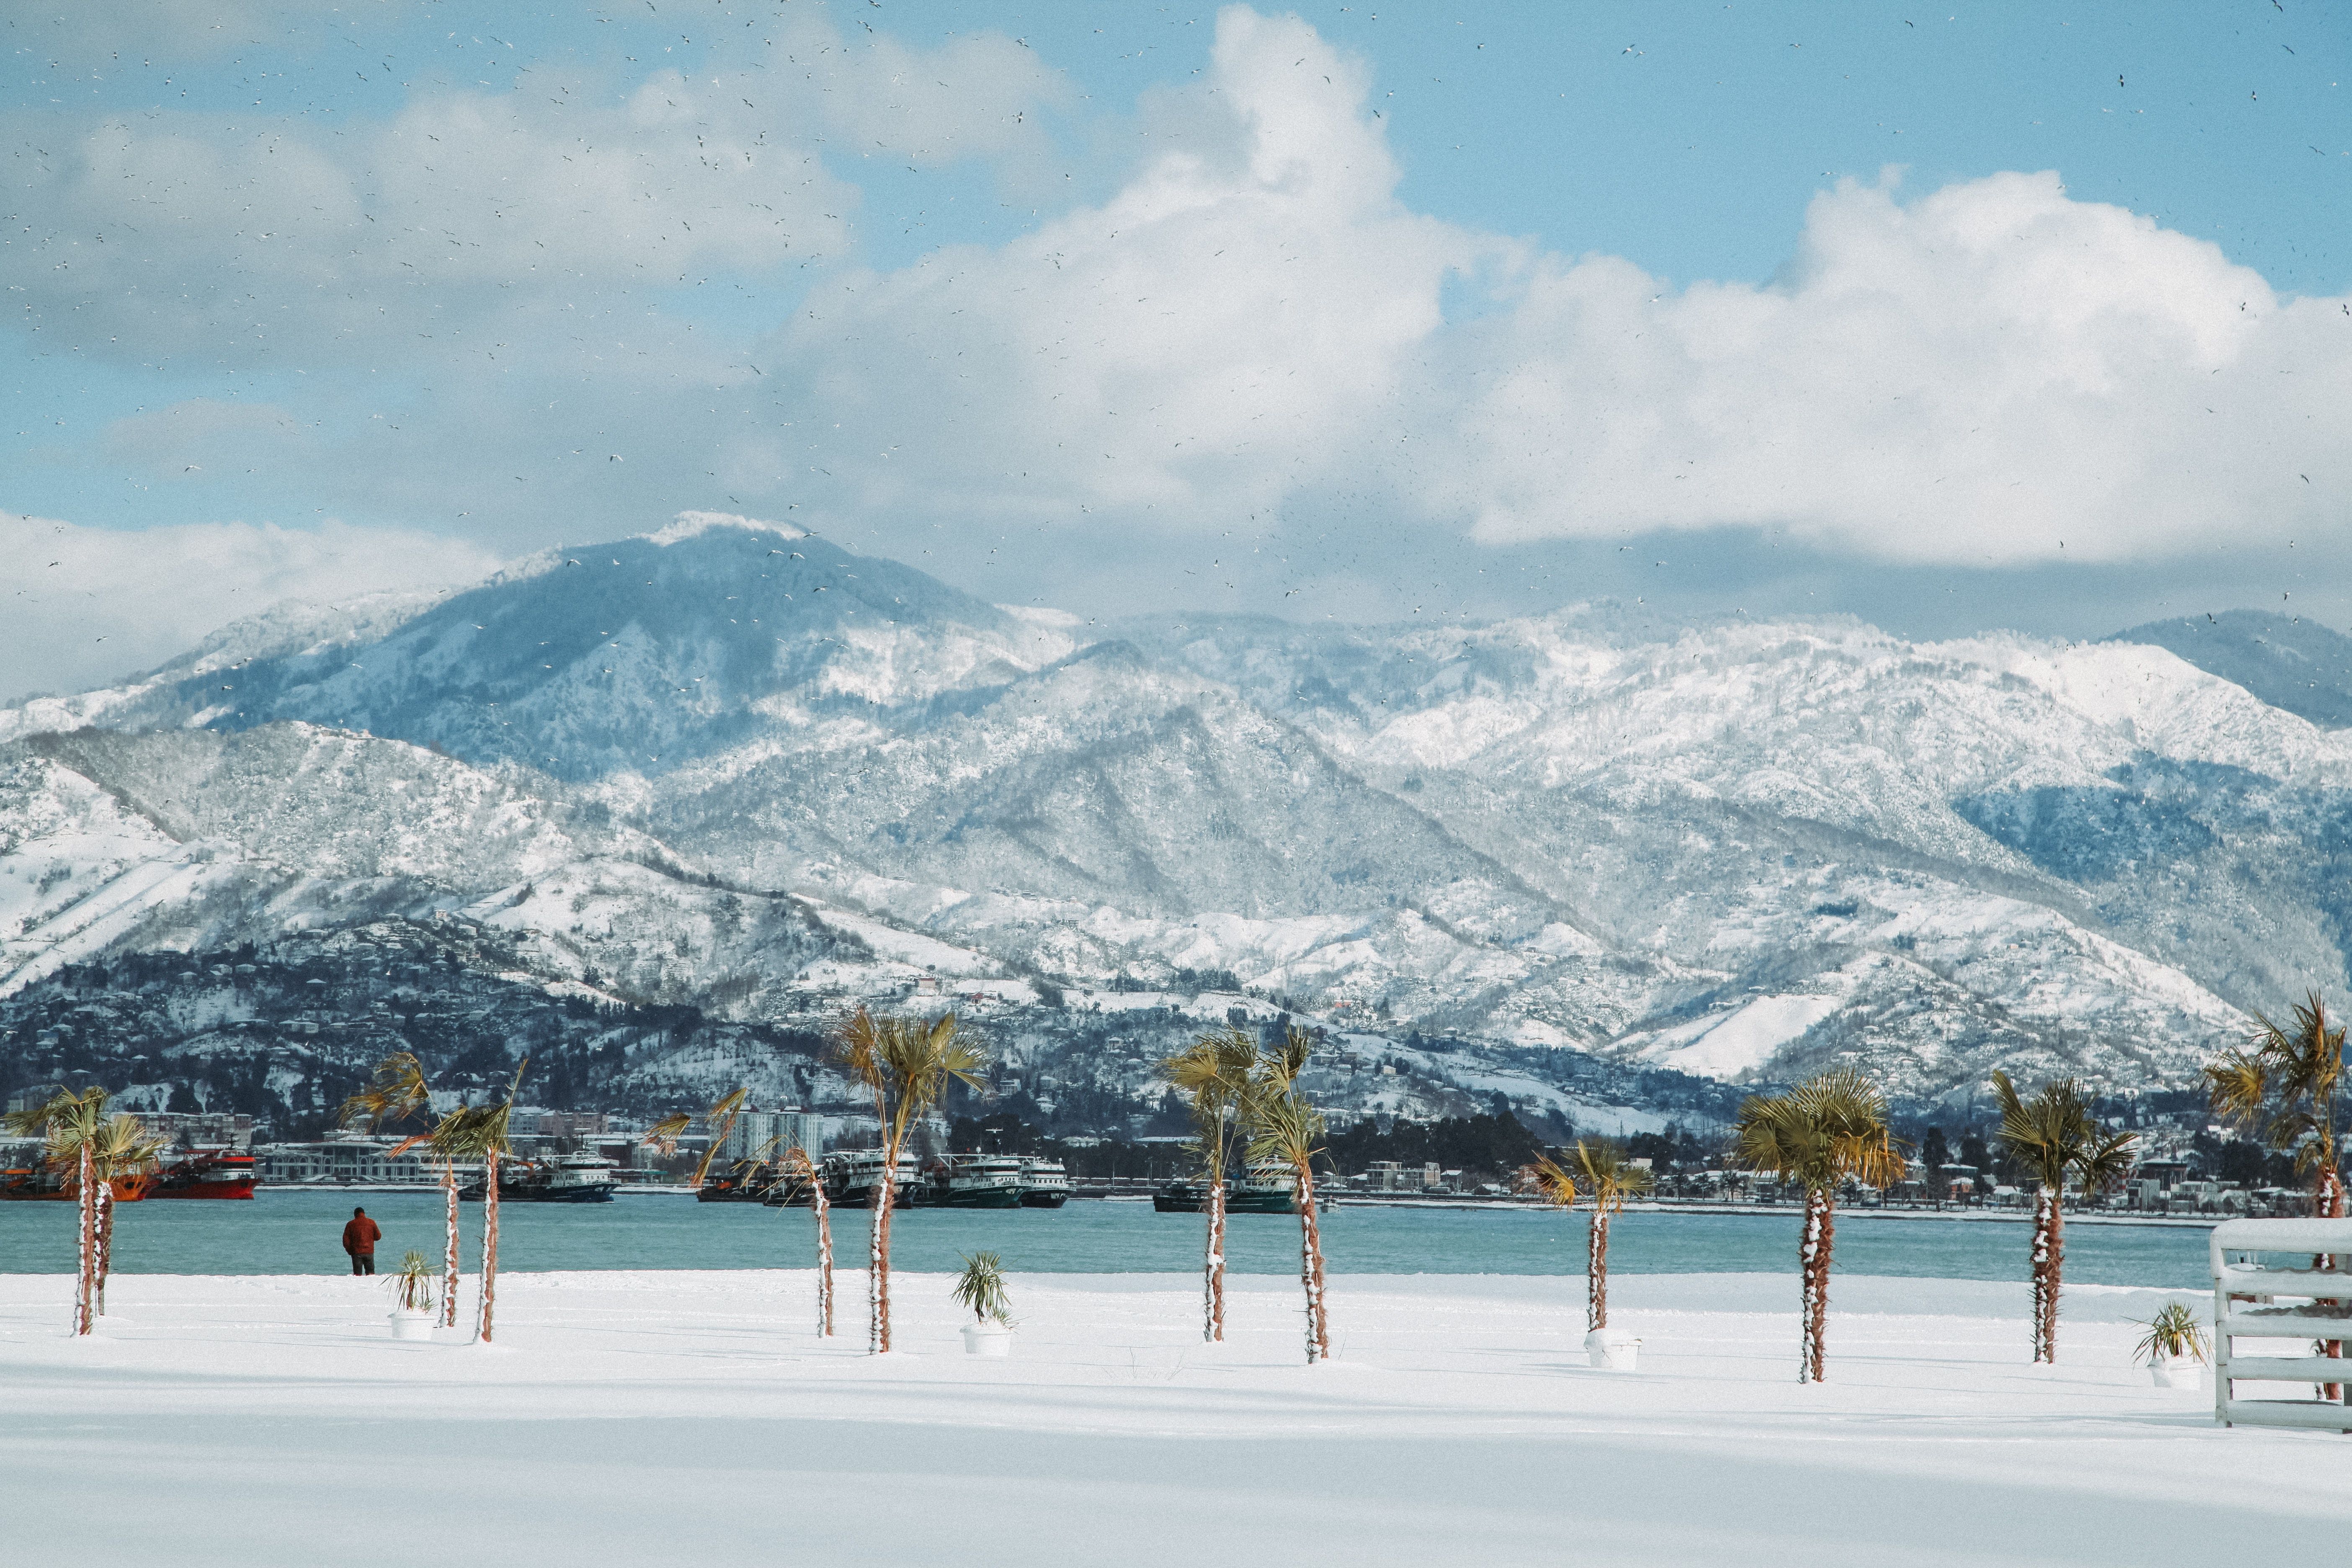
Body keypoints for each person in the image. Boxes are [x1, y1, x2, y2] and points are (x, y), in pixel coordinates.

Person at [342, 1206, 382, 1276]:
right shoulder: (371, 1222)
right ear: (364, 1214)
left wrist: (350, 1251)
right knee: (371, 1275)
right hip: (369, 1252)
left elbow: (346, 1241)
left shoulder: (351, 1224)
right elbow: (378, 1237)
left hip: (356, 1252)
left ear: (355, 1215)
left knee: (357, 1275)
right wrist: (370, 1238)